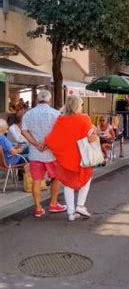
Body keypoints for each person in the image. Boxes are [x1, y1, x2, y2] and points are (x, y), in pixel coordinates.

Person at [45, 95, 97, 222]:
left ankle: (70, 212)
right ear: (78, 105)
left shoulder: (60, 119)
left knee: (68, 183)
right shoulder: (84, 118)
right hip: (81, 156)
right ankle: (80, 205)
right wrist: (94, 133)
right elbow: (91, 138)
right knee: (86, 178)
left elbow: (51, 139)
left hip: (65, 157)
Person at [21, 90, 66, 218]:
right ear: (50, 100)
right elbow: (60, 132)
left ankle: (38, 208)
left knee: (36, 180)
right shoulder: (56, 114)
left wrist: (35, 143)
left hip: (35, 153)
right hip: (51, 153)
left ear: (36, 99)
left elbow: (24, 131)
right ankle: (53, 203)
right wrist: (48, 143)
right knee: (56, 177)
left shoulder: (28, 114)